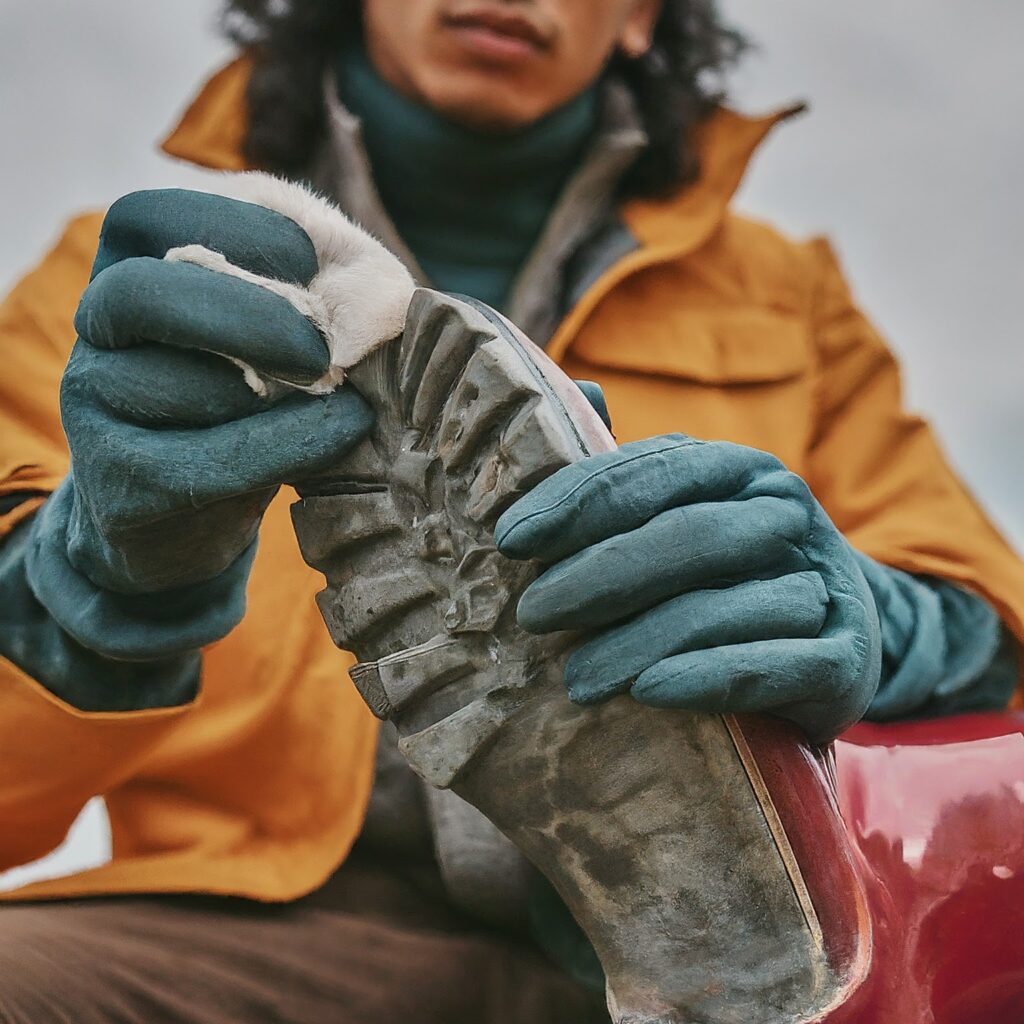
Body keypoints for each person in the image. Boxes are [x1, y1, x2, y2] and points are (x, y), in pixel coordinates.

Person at [0, 1, 1022, 1021]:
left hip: (673, 948)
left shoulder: (787, 296)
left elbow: (990, 625)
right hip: (247, 929)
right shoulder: (133, 285)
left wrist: (866, 618)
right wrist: (94, 580)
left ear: (637, 20)